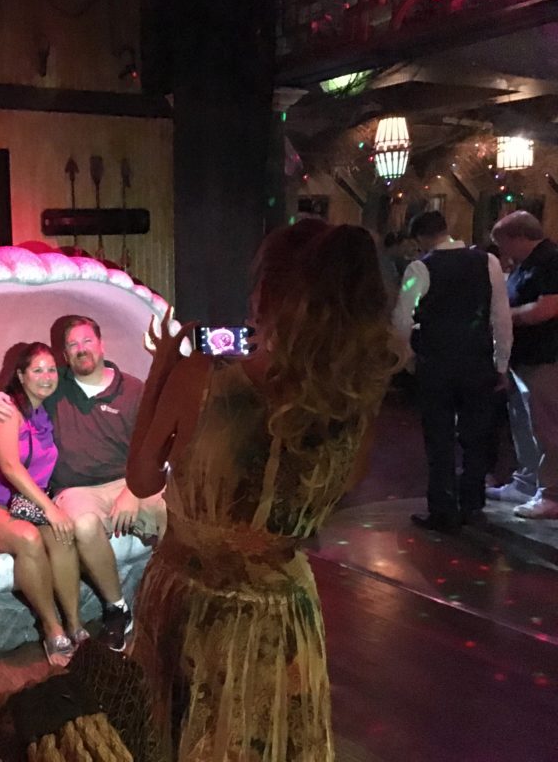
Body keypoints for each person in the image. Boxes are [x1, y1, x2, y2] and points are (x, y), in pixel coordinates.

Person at [123, 223, 402, 761]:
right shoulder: (358, 397)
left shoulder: (202, 376)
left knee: (175, 734)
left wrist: (163, 369)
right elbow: (340, 490)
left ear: (272, 293)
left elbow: (141, 480)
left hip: (194, 594)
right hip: (282, 607)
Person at [0, 316, 166, 652]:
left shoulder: (133, 389)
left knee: (170, 512)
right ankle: (117, 609)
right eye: (72, 345)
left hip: (131, 481)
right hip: (78, 489)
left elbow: (155, 448)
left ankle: (181, 601)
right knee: (82, 525)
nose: (81, 350)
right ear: (65, 355)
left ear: (101, 345)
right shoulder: (56, 387)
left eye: (87, 341)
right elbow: (20, 388)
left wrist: (134, 491)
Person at [0, 342, 84, 666]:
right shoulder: (6, 410)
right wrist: (51, 509)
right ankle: (52, 629)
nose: (46, 376)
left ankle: (75, 625)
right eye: (37, 370)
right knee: (29, 538)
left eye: (51, 369)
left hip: (22, 503)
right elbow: (11, 467)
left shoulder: (44, 412)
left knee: (63, 535)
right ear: (21, 376)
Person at [392, 210, 512, 532]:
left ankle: (443, 509)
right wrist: (501, 363)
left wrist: (408, 358)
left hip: (436, 363)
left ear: (420, 238)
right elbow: (500, 318)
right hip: (477, 362)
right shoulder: (488, 262)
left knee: (439, 438)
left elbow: (402, 320)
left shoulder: (420, 268)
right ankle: (472, 504)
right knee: (476, 436)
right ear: (448, 229)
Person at [487, 211, 558, 519]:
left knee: (547, 428)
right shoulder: (528, 263)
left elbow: (548, 308)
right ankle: (527, 481)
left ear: (518, 238)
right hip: (526, 357)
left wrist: (505, 317)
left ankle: (551, 495)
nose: (503, 253)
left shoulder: (550, 260)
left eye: (504, 244)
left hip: (545, 357)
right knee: (525, 424)